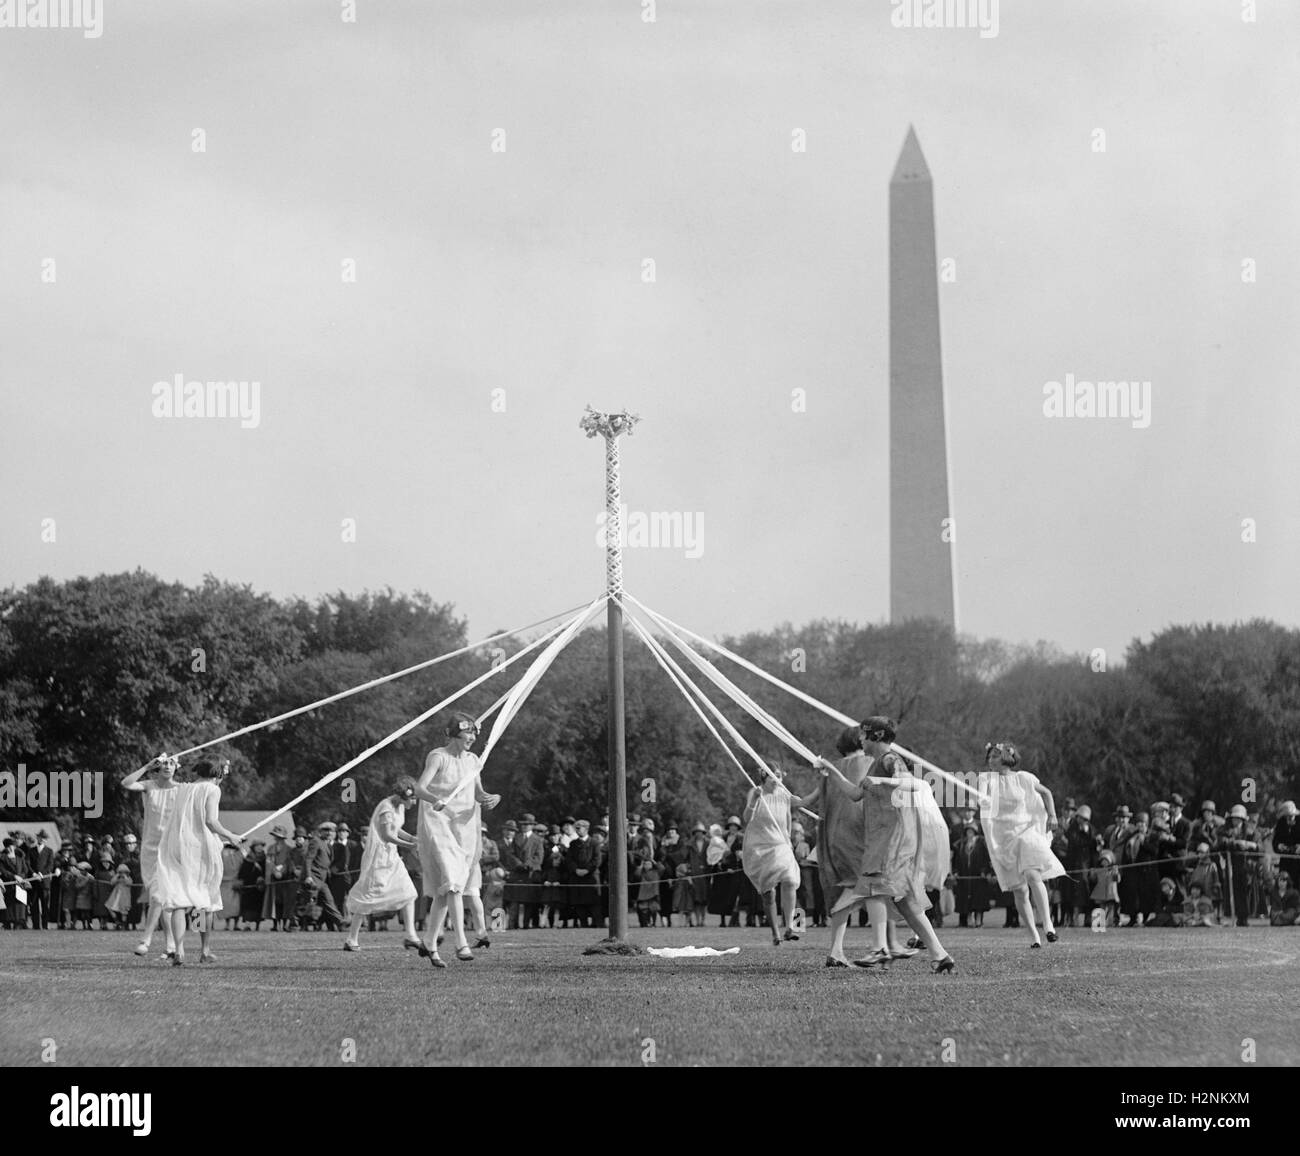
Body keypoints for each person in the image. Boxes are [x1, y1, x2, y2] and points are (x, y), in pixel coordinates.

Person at [818, 716, 955, 973]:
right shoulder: (873, 766)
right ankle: (940, 955)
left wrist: (883, 781)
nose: (860, 739)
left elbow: (913, 784)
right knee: (905, 902)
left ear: (877, 737)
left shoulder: (890, 760)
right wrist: (831, 771)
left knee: (874, 885)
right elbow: (855, 794)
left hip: (893, 838)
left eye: (863, 734)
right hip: (881, 837)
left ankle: (880, 948)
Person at [415, 713, 501, 967]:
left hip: (464, 828)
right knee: (453, 882)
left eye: (475, 734)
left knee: (447, 889)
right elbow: (420, 788)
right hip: (438, 823)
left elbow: (477, 792)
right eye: (468, 734)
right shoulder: (438, 756)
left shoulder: (473, 760)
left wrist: (492, 797)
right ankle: (461, 943)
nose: (473, 738)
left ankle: (430, 942)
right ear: (454, 734)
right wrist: (435, 800)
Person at [153, 759, 245, 965]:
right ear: (217, 772)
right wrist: (231, 836)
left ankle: (179, 950)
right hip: (200, 848)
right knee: (203, 900)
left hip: (176, 846)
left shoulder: (184, 789)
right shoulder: (212, 789)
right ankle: (204, 950)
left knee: (178, 900)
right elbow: (210, 821)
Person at [978, 741, 1064, 948]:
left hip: (1026, 831)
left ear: (1007, 757)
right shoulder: (985, 780)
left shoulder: (1024, 778)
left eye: (996, 756)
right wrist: (983, 801)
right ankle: (1034, 936)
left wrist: (1052, 815)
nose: (991, 760)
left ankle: (1049, 926)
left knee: (1033, 875)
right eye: (989, 757)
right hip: (1003, 838)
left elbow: (1046, 793)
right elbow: (981, 803)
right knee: (1019, 891)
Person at [343, 777, 423, 952]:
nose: (415, 802)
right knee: (368, 896)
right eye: (413, 798)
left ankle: (411, 935)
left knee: (409, 892)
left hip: (392, 856)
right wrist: (410, 846)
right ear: (403, 796)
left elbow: (396, 829)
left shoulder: (399, 806)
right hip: (378, 857)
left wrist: (411, 838)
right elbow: (386, 835)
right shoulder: (386, 808)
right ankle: (351, 939)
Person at [122, 754, 182, 957]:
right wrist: (146, 766)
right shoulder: (149, 785)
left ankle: (145, 940)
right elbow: (126, 783)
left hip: (171, 849)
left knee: (158, 895)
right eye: (164, 762)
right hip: (149, 850)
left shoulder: (181, 789)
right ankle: (171, 946)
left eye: (171, 763)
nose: (167, 766)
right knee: (161, 898)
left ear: (176, 768)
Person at [741, 765, 805, 945]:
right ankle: (775, 934)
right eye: (774, 776)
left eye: (779, 776)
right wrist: (754, 799)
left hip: (780, 845)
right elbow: (747, 818)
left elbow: (788, 820)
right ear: (764, 777)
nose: (778, 780)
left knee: (791, 880)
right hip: (759, 848)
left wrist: (789, 842)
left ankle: (791, 926)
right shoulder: (755, 792)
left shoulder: (784, 794)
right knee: (768, 894)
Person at [1218, 804, 1258, 927]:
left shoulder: (1251, 832)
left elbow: (1259, 846)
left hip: (1247, 867)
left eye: (1238, 818)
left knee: (1247, 892)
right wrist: (1234, 843)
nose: (1236, 821)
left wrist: (1249, 844)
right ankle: (1236, 916)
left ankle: (1245, 916)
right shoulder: (1225, 830)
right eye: (1234, 818)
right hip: (1232, 865)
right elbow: (1221, 842)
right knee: (1234, 892)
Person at [952, 822, 991, 927]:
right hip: (965, 877)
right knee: (966, 900)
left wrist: (984, 871)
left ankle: (979, 920)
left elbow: (986, 858)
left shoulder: (981, 843)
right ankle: (969, 920)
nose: (970, 833)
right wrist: (956, 872)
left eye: (971, 831)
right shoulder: (961, 844)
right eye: (968, 831)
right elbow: (956, 860)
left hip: (978, 877)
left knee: (978, 900)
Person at [708, 816, 744, 928]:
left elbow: (741, 854)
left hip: (736, 871)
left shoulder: (741, 838)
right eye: (731, 826)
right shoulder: (723, 837)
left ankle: (735, 920)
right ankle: (722, 920)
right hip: (724, 871)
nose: (733, 828)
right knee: (722, 895)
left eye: (735, 826)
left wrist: (735, 865)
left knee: (735, 896)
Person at [26, 830, 54, 930]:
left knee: (45, 904)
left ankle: (45, 925)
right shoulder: (31, 850)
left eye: (43, 838)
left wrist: (42, 874)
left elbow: (50, 865)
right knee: (34, 904)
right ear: (37, 838)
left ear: (46, 840)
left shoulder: (49, 851)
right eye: (40, 837)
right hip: (34, 881)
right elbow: (28, 864)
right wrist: (33, 874)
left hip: (44, 882)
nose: (41, 839)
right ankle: (36, 925)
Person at [234, 844, 265, 929]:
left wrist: (262, 878)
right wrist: (242, 880)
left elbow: (266, 870)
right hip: (248, 887)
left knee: (258, 907)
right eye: (258, 846)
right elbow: (243, 871)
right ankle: (247, 924)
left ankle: (257, 926)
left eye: (261, 846)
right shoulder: (248, 858)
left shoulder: (263, 858)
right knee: (248, 907)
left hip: (259, 888)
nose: (259, 847)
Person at [1090, 850, 1120, 925]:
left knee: (1110, 907)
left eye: (1106, 860)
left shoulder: (1113, 870)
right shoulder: (1099, 871)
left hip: (1111, 892)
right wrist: (1092, 873)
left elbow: (1117, 880)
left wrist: (1115, 872)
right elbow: (1093, 880)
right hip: (1101, 892)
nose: (1104, 862)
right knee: (1101, 908)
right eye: (1103, 860)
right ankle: (1100, 922)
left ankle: (1110, 921)